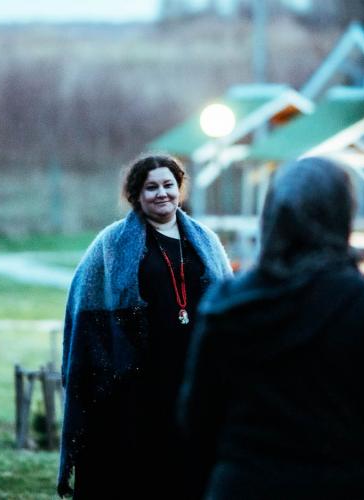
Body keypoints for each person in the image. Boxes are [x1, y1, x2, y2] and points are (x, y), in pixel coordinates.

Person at [178, 157, 364, 500]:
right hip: (342, 484)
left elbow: (196, 416)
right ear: (340, 217)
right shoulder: (358, 302)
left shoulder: (226, 301)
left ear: (271, 217)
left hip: (247, 484)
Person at [57, 154, 233, 499]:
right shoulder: (111, 243)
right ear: (136, 195)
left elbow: (227, 302)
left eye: (168, 185)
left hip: (192, 377)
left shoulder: (206, 241)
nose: (162, 193)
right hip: (136, 383)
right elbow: (84, 308)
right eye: (151, 187)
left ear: (179, 189)